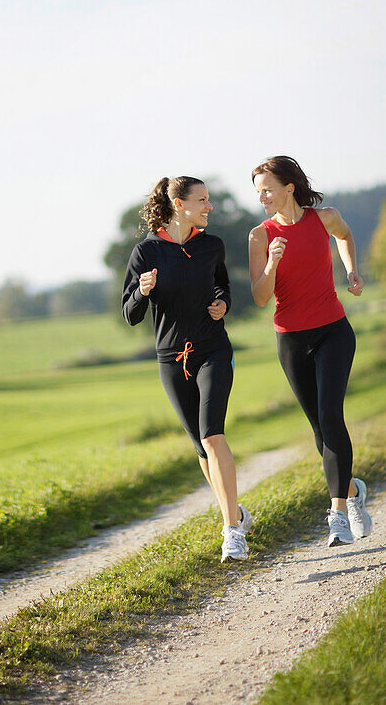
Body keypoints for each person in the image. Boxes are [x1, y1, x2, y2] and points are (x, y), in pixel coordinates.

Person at [123, 175, 252, 562]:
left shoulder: (211, 246)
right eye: (202, 200)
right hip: (171, 358)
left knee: (212, 435)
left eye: (209, 200)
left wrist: (222, 304)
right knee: (200, 446)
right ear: (179, 204)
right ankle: (239, 515)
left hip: (213, 349)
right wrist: (143, 290)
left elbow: (222, 287)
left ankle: (231, 531)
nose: (209, 206)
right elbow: (130, 314)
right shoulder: (147, 252)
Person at [248, 156, 373, 548]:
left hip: (334, 331)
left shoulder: (324, 218)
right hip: (292, 339)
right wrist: (271, 263)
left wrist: (351, 270)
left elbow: (346, 236)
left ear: (289, 187)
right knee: (320, 432)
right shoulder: (259, 235)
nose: (262, 197)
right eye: (258, 192)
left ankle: (337, 514)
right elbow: (259, 298)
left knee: (330, 414)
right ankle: (353, 492)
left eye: (267, 189)